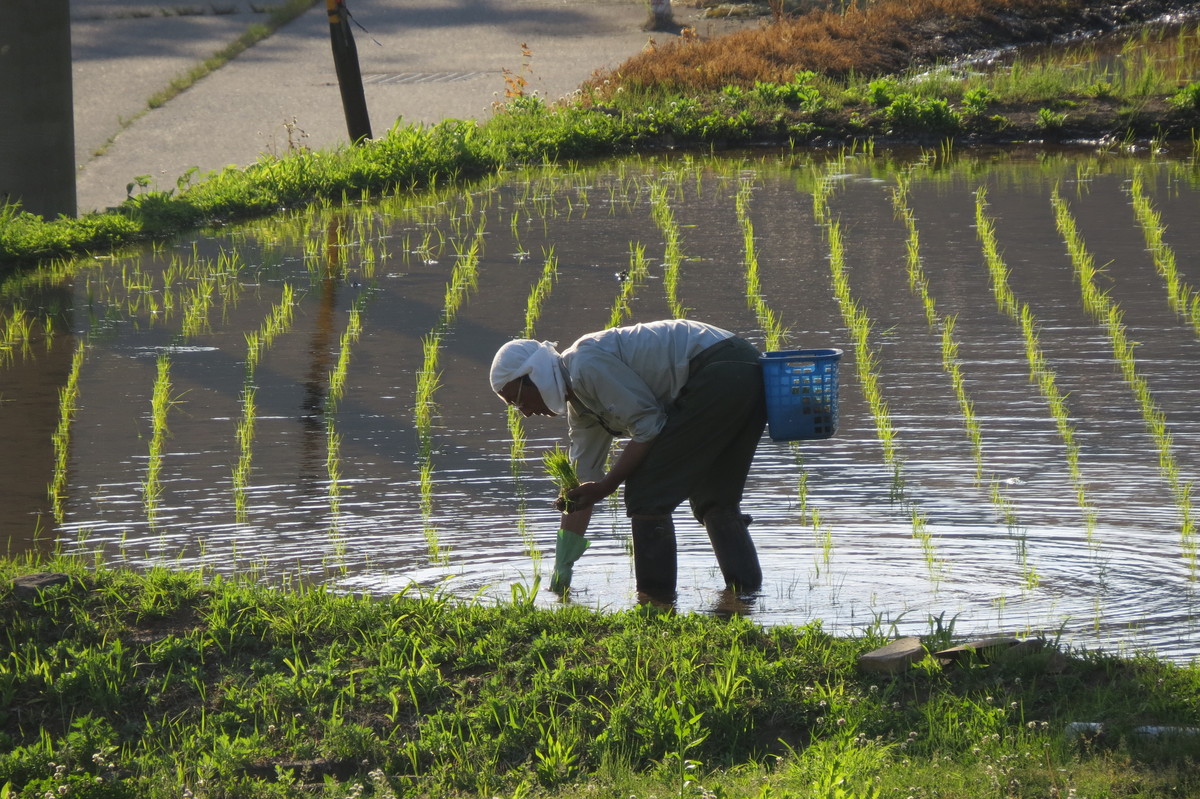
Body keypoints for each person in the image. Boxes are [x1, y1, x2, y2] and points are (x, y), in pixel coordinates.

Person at [489, 319, 767, 598]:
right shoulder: (584, 410)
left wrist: (608, 485)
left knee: (647, 492)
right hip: (746, 368)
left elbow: (648, 424)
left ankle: (655, 603)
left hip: (718, 368)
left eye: (518, 399)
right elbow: (584, 485)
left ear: (533, 375)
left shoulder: (584, 365)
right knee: (715, 498)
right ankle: (746, 596)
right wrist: (563, 567)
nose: (523, 412)